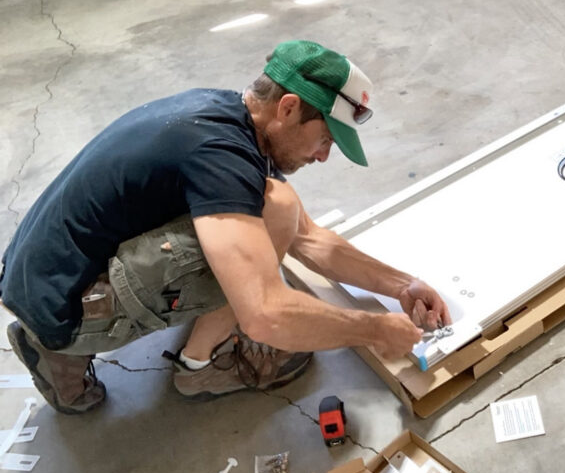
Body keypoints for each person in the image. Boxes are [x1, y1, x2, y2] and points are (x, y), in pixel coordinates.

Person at [0, 40, 451, 414]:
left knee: (277, 208)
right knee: (273, 211)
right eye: (326, 139)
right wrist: (374, 331)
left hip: (41, 279)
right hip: (67, 310)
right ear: (289, 108)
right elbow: (267, 314)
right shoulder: (220, 156)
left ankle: (53, 342)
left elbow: (308, 238)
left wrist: (401, 285)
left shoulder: (226, 115)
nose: (322, 156)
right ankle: (200, 366)